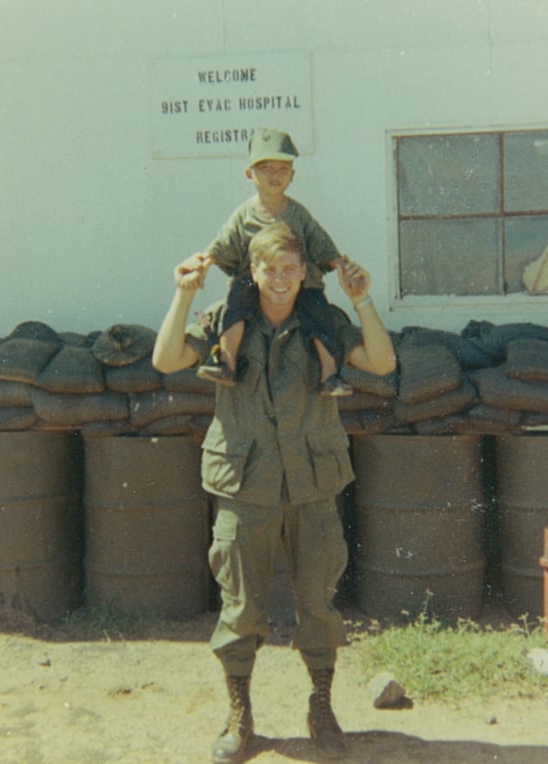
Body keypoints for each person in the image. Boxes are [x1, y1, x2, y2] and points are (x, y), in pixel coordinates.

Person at [153, 222, 396, 764]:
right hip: (246, 485)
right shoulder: (225, 321)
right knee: (240, 606)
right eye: (270, 269)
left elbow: (382, 362)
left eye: (290, 269)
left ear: (304, 271)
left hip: (312, 484)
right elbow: (167, 360)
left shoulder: (324, 321)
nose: (280, 279)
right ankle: (239, 715)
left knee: (318, 601)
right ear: (253, 272)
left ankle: (321, 707)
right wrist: (183, 292)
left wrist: (363, 301)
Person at [178, 127, 353, 396]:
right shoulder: (243, 215)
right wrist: (203, 264)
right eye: (265, 168)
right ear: (249, 174)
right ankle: (226, 363)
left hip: (300, 284)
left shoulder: (299, 214)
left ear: (292, 176)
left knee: (320, 316)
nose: (274, 175)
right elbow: (223, 244)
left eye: (282, 169)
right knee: (234, 308)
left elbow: (321, 243)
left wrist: (342, 266)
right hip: (254, 283)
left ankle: (329, 374)